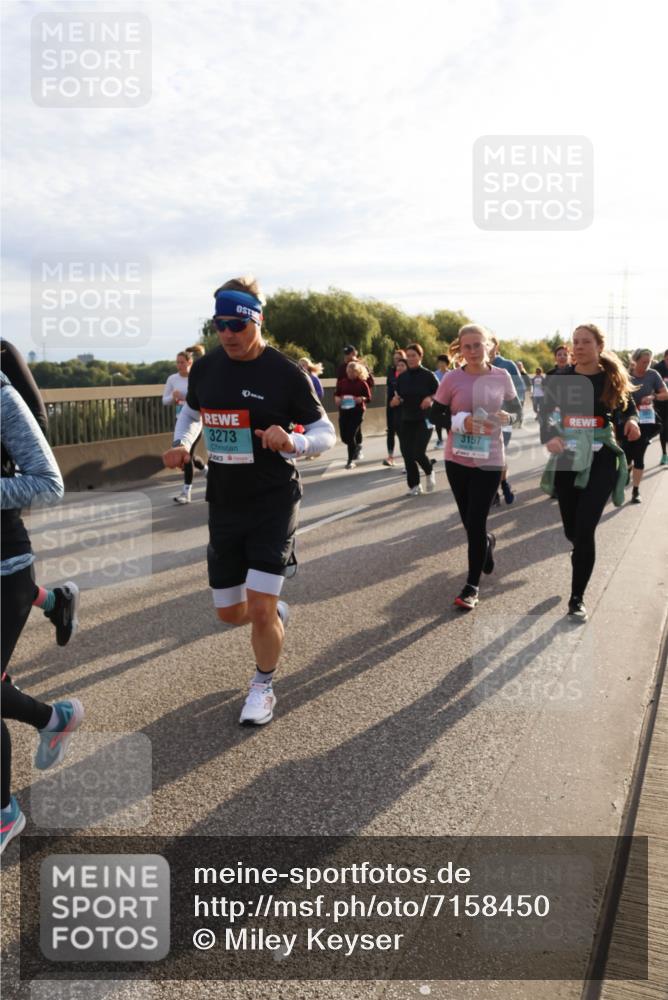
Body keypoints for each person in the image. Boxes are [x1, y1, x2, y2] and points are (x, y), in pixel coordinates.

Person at [162, 276, 335, 726]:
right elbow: (193, 411)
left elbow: (325, 434)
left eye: (236, 325)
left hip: (273, 499)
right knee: (228, 612)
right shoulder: (207, 367)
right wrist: (183, 443)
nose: (227, 334)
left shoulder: (284, 373)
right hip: (224, 500)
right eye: (219, 325)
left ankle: (262, 685)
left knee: (256, 608)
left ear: (256, 321)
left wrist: (292, 443)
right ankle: (273, 613)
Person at [1, 370, 84, 854]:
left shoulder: (1, 397)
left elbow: (48, 484)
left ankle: (4, 816)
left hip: (4, 567)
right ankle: (54, 719)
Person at [539, 323, 640, 622]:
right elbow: (545, 415)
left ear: (599, 346)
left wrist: (631, 422)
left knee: (585, 529)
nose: (579, 346)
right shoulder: (561, 379)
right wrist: (550, 435)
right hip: (569, 456)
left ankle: (577, 597)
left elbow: (627, 409)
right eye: (575, 342)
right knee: (572, 530)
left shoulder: (611, 378)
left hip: (602, 458)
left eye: (585, 342)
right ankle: (579, 551)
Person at [432, 325, 522, 609]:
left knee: (475, 522)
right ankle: (487, 542)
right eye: (466, 347)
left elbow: (518, 413)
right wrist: (462, 422)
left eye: (477, 345)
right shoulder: (451, 378)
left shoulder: (501, 376)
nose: (471, 351)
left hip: (490, 459)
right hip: (457, 458)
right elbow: (435, 412)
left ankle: (471, 587)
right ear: (460, 349)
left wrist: (505, 419)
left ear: (489, 346)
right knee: (470, 523)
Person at [0, 341, 79, 656]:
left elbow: (37, 421)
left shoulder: (4, 354)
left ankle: (56, 710)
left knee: (13, 583)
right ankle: (56, 601)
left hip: (12, 486)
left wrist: (14, 479)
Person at [392, 343, 439, 496]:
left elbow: (441, 394)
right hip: (406, 419)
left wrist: (430, 398)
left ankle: (429, 470)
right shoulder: (402, 377)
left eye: (414, 356)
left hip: (425, 419)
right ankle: (414, 485)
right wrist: (395, 401)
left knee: (418, 452)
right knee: (407, 454)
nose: (411, 359)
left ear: (420, 357)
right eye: (409, 356)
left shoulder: (429, 375)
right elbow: (398, 396)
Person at [622, 349, 668, 503]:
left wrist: (653, 396)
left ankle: (636, 491)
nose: (647, 365)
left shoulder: (653, 375)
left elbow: (665, 393)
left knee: (639, 455)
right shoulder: (626, 376)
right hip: (627, 421)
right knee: (627, 454)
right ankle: (627, 469)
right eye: (644, 362)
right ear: (635, 361)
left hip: (646, 421)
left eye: (649, 362)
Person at [162, 351, 205, 504]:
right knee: (189, 456)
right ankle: (205, 469)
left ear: (190, 362)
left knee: (187, 457)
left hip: (195, 422)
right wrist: (173, 397)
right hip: (181, 420)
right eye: (177, 362)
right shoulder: (172, 379)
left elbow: (202, 397)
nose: (180, 365)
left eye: (182, 362)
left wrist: (187, 397)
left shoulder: (197, 377)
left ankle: (186, 493)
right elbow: (164, 400)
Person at [489, 337, 523, 505]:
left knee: (498, 456)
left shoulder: (507, 366)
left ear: (496, 346)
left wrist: (514, 415)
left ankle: (502, 484)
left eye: (490, 343)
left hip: (503, 419)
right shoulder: (470, 366)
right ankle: (495, 487)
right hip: (481, 421)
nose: (487, 347)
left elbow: (520, 391)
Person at [335, 361, 371, 469]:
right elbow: (337, 394)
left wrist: (361, 398)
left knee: (350, 436)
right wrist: (337, 399)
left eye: (353, 372)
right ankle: (355, 447)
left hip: (357, 412)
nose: (350, 373)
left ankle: (350, 461)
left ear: (358, 372)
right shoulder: (342, 382)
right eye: (349, 371)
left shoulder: (362, 383)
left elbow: (368, 397)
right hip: (344, 411)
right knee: (344, 438)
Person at [383, 349, 406, 466]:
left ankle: (408, 458)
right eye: (395, 359)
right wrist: (389, 403)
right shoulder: (391, 372)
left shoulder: (408, 374)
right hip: (391, 406)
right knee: (390, 431)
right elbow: (388, 389)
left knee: (402, 433)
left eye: (399, 359)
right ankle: (390, 457)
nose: (396, 362)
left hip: (403, 407)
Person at [651, 348, 668, 466]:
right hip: (661, 404)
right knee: (664, 429)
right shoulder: (657, 369)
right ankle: (664, 454)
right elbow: (651, 386)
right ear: (666, 357)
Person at [432, 354, 450, 449]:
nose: (441, 364)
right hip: (438, 400)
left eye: (443, 362)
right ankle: (440, 440)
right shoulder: (435, 374)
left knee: (447, 421)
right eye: (439, 362)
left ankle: (449, 440)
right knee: (438, 421)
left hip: (449, 401)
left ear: (447, 363)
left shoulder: (451, 374)